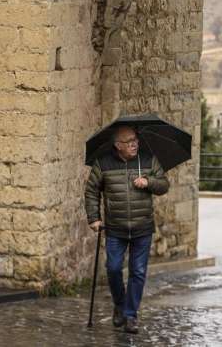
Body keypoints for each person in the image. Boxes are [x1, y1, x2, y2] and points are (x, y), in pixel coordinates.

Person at [84, 125, 170, 334]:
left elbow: (164, 185)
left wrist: (148, 182)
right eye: (129, 141)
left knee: (138, 272)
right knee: (113, 269)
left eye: (135, 139)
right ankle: (120, 304)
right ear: (117, 145)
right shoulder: (103, 163)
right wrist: (94, 218)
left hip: (142, 227)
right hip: (115, 228)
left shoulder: (148, 160)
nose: (134, 143)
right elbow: (92, 191)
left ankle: (130, 316)